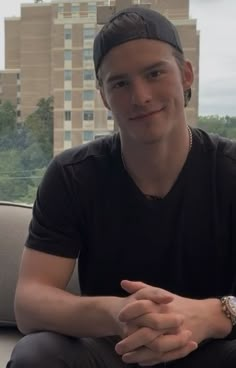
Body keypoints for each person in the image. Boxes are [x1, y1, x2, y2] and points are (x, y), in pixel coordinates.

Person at [7, 6, 236, 368]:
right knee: (37, 355)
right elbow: (30, 302)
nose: (140, 96)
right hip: (115, 350)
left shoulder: (229, 170)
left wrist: (213, 315)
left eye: (154, 73)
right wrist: (119, 312)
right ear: (103, 96)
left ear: (187, 74)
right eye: (120, 83)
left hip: (212, 349)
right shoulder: (73, 175)